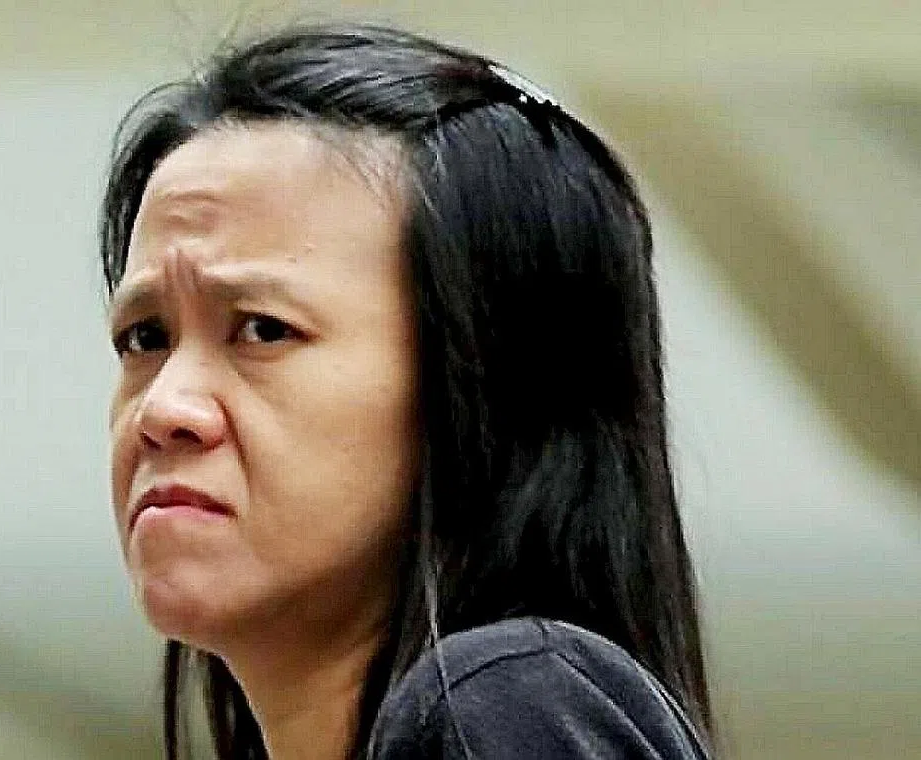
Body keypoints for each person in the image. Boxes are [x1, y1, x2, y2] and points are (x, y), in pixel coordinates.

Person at [100, 22, 714, 760]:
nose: (165, 409)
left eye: (263, 330)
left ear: (483, 383)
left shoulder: (502, 709)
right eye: (145, 338)